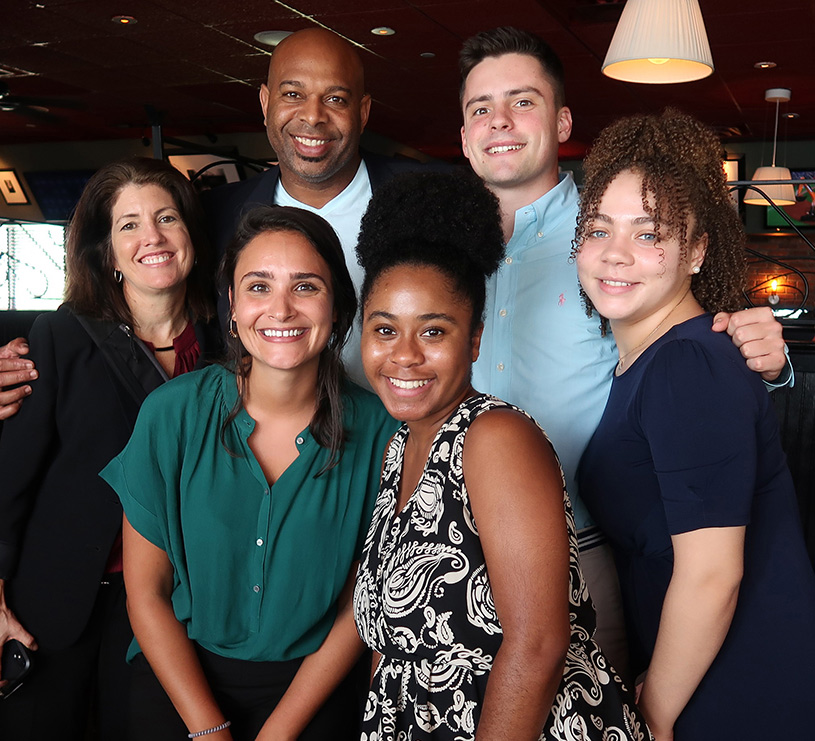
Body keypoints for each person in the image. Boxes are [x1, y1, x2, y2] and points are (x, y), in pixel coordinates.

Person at [457, 26, 790, 681]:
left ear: (561, 121)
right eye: (479, 107)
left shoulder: (610, 229)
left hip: (584, 550)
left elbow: (692, 343)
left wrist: (768, 366)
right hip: (457, 546)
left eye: (521, 101)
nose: (498, 120)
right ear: (464, 131)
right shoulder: (440, 241)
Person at [353, 170, 650, 741]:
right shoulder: (400, 447)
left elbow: (537, 646)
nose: (404, 356)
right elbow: (392, 646)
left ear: (475, 341)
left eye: (434, 332)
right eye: (384, 329)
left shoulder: (496, 439)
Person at [100, 206, 396, 741]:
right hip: (181, 675)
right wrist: (210, 731)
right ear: (233, 307)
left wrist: (280, 732)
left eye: (305, 286)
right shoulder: (173, 413)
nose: (281, 309)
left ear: (337, 305)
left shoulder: (380, 430)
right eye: (259, 286)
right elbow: (147, 592)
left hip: (311, 686)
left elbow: (364, 601)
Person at [575, 110, 815, 740]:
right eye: (599, 229)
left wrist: (653, 710)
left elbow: (713, 572)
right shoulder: (652, 360)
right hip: (698, 668)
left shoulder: (687, 362)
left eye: (648, 233)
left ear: (698, 249)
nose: (616, 254)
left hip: (733, 684)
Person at [0, 157, 220, 740]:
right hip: (54, 605)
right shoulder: (60, 340)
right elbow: (8, 483)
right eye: (128, 225)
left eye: (167, 217)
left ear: (191, 232)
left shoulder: (231, 345)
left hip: (175, 607)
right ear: (105, 249)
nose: (152, 237)